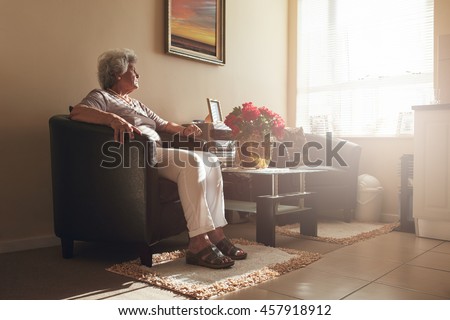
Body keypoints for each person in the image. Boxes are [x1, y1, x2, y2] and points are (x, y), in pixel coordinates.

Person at [70, 48, 247, 269]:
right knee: (191, 162)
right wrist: (112, 118)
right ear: (118, 73)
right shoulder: (101, 97)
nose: (138, 75)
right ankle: (198, 242)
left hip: (156, 154)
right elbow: (77, 112)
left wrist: (184, 130)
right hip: (134, 159)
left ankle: (216, 233)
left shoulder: (136, 104)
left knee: (210, 159)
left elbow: (163, 124)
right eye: (133, 71)